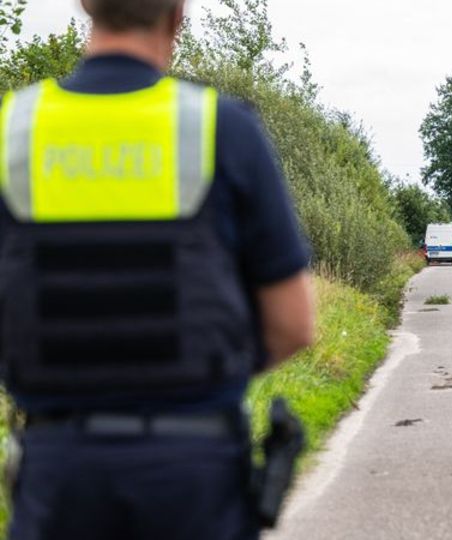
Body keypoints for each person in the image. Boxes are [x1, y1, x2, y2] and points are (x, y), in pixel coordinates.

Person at [0, 1, 316, 539]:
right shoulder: (224, 128)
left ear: (84, 6)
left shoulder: (13, 129)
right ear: (178, 14)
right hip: (195, 473)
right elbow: (293, 325)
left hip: (59, 475)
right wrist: (199, 372)